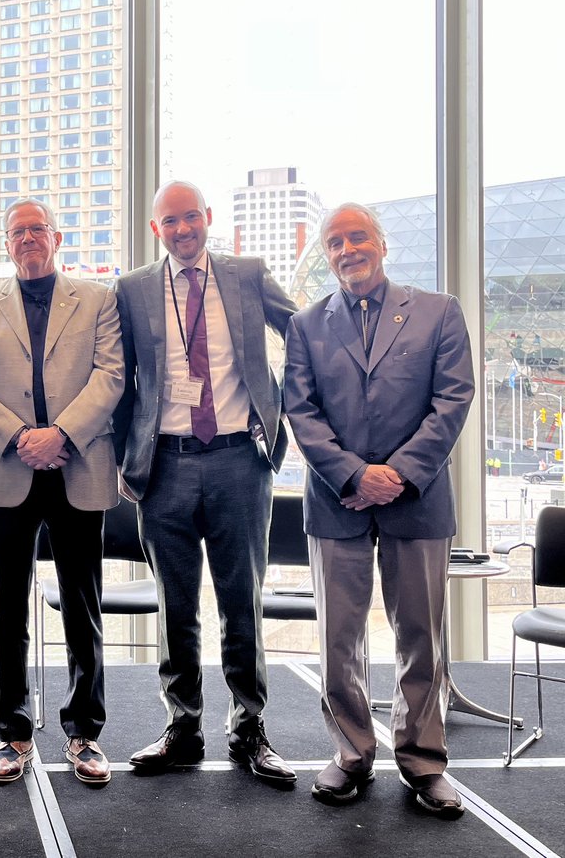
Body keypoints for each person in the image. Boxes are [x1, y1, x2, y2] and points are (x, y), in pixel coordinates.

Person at [284, 203, 474, 816]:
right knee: (340, 638)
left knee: (421, 635)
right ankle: (350, 753)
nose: (347, 250)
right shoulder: (306, 324)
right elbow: (301, 411)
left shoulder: (438, 311)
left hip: (415, 498)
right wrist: (353, 474)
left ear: (382, 243)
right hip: (336, 499)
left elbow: (452, 399)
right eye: (334, 242)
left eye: (357, 237)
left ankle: (422, 760)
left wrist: (399, 474)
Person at [112, 181, 297, 785]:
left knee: (241, 600)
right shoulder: (134, 289)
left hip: (238, 461)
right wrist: (126, 455)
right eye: (171, 221)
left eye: (192, 217)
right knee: (176, 605)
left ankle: (249, 729)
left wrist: (288, 405)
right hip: (163, 463)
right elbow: (118, 378)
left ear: (208, 218)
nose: (183, 229)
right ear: (155, 228)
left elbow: (306, 332)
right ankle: (182, 727)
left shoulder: (246, 274)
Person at [0, 197, 123, 786]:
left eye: (37, 229)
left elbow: (111, 375)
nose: (27, 238)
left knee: (84, 606)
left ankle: (84, 732)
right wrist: (23, 437)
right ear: (5, 243)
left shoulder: (99, 299)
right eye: (16, 231)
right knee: (6, 608)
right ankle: (13, 734)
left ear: (57, 237)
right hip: (9, 467)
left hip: (78, 466)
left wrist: (62, 436)